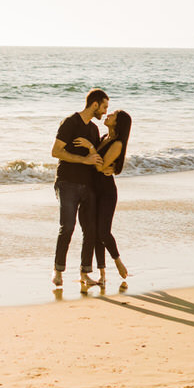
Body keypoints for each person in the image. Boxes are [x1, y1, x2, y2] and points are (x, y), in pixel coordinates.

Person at [51, 88, 108, 288]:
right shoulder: (70, 122)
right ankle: (58, 271)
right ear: (94, 104)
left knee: (90, 230)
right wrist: (83, 160)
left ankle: (85, 274)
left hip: (88, 186)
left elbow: (96, 159)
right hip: (67, 182)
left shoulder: (94, 130)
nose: (105, 112)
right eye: (104, 107)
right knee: (67, 227)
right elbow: (56, 152)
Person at [93, 110, 131, 287]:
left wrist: (88, 147)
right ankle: (102, 273)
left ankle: (117, 261)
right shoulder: (103, 138)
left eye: (112, 115)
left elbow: (100, 168)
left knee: (103, 232)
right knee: (95, 234)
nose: (107, 115)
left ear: (118, 123)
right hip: (94, 190)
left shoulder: (117, 143)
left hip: (107, 192)